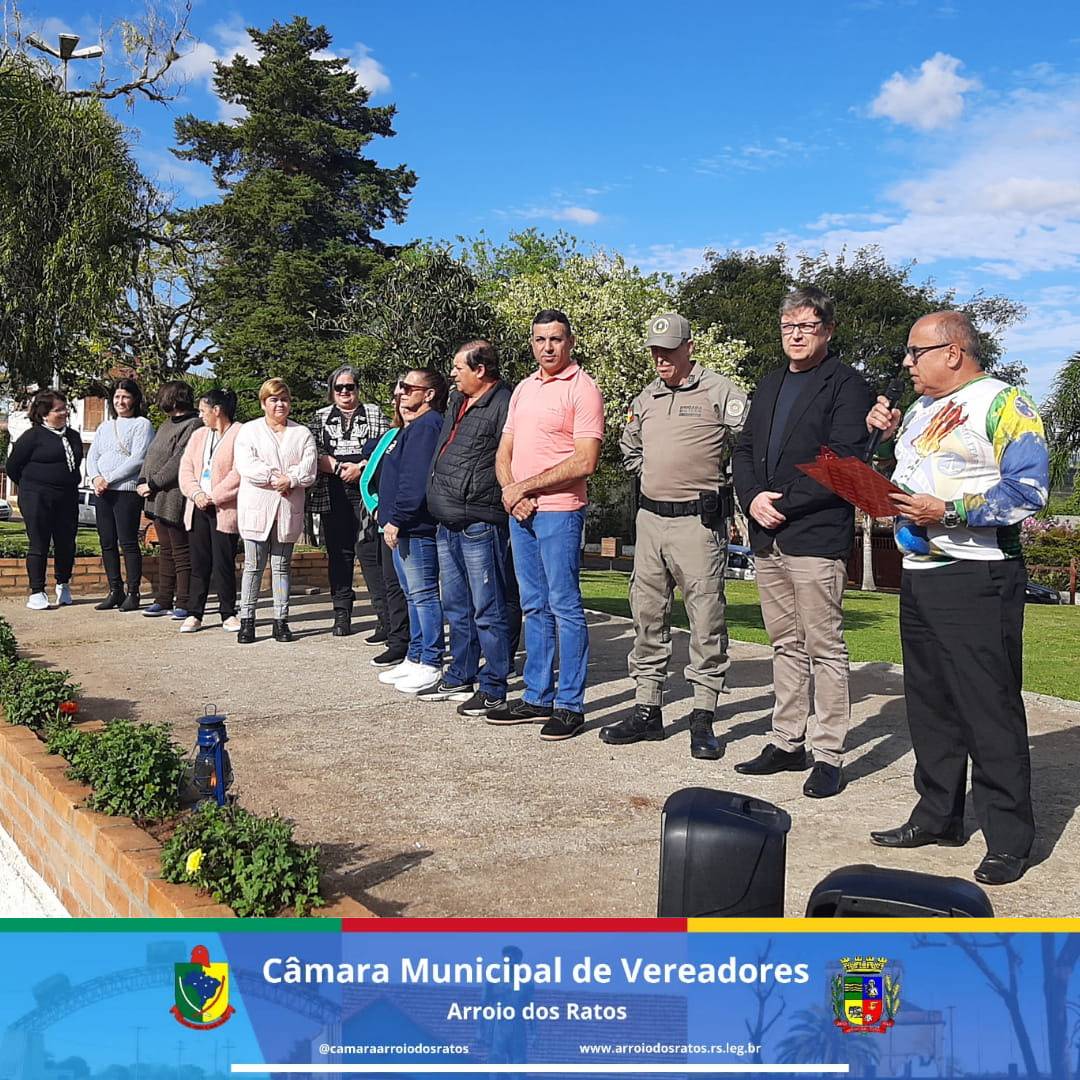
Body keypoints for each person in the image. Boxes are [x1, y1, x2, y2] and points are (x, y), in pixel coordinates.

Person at [866, 311, 1048, 886]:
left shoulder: (1005, 404)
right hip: (920, 573)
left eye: (914, 351)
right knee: (931, 702)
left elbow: (1029, 489)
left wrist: (950, 512)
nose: (905, 362)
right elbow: (905, 481)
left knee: (986, 707)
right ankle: (938, 815)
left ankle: (1010, 839)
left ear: (952, 352)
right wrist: (875, 445)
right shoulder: (918, 411)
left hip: (979, 576)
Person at [731, 287, 873, 798]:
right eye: (788, 326)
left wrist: (782, 502)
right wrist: (751, 498)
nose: (795, 335)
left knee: (824, 648)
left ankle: (828, 752)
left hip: (814, 535)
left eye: (806, 327)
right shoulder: (769, 384)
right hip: (767, 533)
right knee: (784, 644)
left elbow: (842, 465)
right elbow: (744, 449)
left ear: (827, 332)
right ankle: (787, 740)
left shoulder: (847, 386)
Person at [600, 313, 748, 759]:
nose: (660, 358)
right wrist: (649, 473)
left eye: (667, 350)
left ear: (688, 347)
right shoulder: (646, 398)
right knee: (646, 615)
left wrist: (730, 488)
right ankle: (648, 710)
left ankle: (703, 716)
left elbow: (751, 445)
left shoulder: (720, 392)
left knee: (706, 620)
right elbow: (628, 446)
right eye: (654, 351)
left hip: (697, 526)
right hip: (650, 524)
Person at [488, 309, 604, 740]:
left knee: (564, 606)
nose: (547, 347)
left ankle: (570, 704)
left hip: (560, 511)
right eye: (540, 340)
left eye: (555, 339)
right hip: (521, 513)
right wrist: (510, 491)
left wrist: (527, 489)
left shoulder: (583, 389)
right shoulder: (523, 389)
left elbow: (585, 460)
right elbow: (505, 452)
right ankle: (537, 695)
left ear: (570, 342)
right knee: (533, 604)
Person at [425, 340, 514, 716]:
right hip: (448, 521)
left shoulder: (504, 403)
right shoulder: (459, 402)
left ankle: (494, 685)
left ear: (481, 370)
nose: (453, 374)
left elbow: (508, 457)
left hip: (479, 519)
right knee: (456, 605)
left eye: (459, 368)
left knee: (487, 609)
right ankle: (461, 671)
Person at [376, 368, 449, 695]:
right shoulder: (412, 428)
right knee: (412, 595)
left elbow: (414, 480)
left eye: (408, 387)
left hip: (415, 526)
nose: (401, 393)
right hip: (404, 526)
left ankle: (431, 661)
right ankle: (416, 654)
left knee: (423, 595)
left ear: (429, 394)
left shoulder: (426, 427)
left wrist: (397, 518)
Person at [307, 366, 392, 638]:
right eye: (339, 388)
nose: (345, 392)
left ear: (357, 388)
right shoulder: (319, 418)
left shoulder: (374, 413)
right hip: (333, 494)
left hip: (368, 494)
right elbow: (312, 451)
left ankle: (385, 618)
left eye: (350, 387)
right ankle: (341, 614)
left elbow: (386, 446)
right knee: (339, 557)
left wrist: (362, 468)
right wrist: (336, 467)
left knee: (371, 556)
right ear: (332, 391)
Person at [233, 378, 318, 643]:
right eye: (274, 399)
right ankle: (247, 620)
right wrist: (274, 478)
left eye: (284, 399)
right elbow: (247, 464)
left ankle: (281, 620)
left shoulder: (301, 433)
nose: (280, 404)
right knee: (253, 566)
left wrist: (290, 480)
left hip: (287, 507)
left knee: (281, 566)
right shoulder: (249, 431)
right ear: (263, 403)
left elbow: (309, 467)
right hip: (257, 506)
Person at [6, 391, 82, 610]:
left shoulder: (73, 436)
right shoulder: (32, 437)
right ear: (44, 414)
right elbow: (13, 467)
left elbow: (74, 464)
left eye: (65, 407)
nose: (64, 412)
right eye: (58, 409)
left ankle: (63, 584)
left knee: (66, 543)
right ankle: (37, 591)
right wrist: (33, 486)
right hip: (37, 496)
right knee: (39, 543)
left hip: (67, 496)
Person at [85, 379, 154, 610]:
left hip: (126, 492)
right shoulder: (105, 426)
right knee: (106, 542)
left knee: (128, 542)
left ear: (134, 399)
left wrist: (109, 479)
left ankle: (133, 593)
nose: (120, 401)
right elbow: (93, 456)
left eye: (125, 397)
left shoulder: (142, 424)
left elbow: (138, 458)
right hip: (102, 492)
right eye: (116, 397)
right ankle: (115, 589)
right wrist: (95, 478)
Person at [178, 389, 242, 633]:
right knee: (199, 562)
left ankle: (228, 612)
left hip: (223, 507)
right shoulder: (198, 435)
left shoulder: (240, 433)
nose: (201, 415)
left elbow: (239, 472)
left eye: (204, 410)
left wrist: (214, 496)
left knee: (224, 561)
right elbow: (186, 468)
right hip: (197, 506)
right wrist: (197, 494)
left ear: (217, 410)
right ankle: (195, 613)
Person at [137, 382, 203, 617]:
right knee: (165, 550)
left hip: (174, 495)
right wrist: (142, 481)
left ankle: (183, 602)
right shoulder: (166, 424)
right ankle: (163, 599)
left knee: (180, 551)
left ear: (174, 399)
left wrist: (153, 483)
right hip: (155, 497)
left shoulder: (193, 424)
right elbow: (151, 455)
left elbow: (179, 460)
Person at [360, 380, 412, 668]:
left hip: (414, 526)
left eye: (405, 396)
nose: (400, 403)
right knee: (392, 586)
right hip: (386, 525)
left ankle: (418, 645)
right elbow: (367, 479)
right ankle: (398, 641)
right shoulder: (389, 436)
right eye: (396, 398)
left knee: (418, 590)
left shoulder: (428, 431)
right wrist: (378, 508)